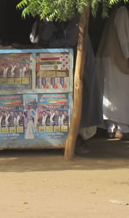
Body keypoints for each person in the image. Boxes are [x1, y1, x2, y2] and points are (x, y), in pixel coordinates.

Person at [31, 13, 103, 142]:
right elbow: (39, 39)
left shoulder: (77, 18)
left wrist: (51, 42)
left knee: (83, 98)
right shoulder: (52, 21)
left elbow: (71, 40)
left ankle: (79, 137)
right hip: (62, 67)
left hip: (81, 64)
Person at [95, 5, 129, 139]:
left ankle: (112, 128)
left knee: (111, 95)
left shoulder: (114, 13)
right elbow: (124, 34)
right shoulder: (122, 12)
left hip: (110, 59)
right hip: (117, 59)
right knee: (122, 95)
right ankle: (122, 129)